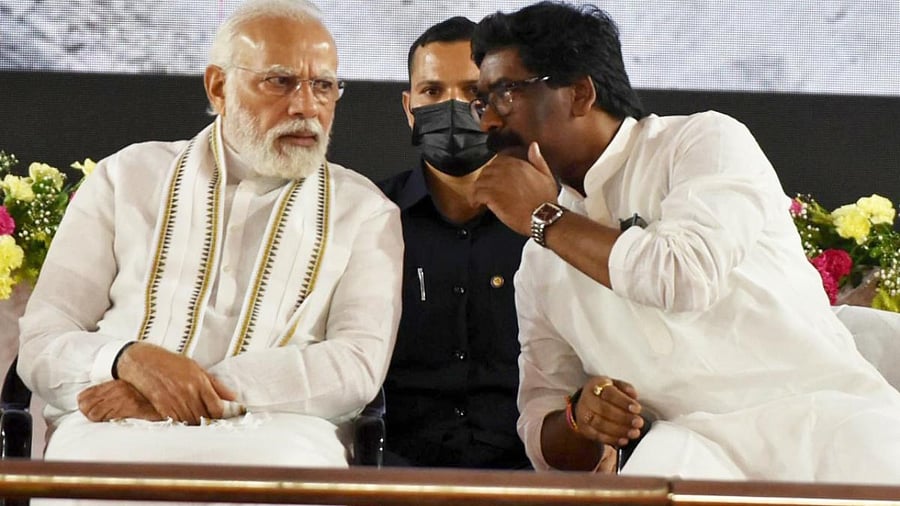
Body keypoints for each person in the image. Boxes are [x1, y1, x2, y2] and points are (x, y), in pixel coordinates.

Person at [467, 1, 900, 482]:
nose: (487, 122)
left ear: (581, 93)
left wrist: (544, 217)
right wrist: (580, 419)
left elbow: (684, 275)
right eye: (482, 103)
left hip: (825, 425)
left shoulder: (701, 142)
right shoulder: (540, 260)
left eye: (505, 93)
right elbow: (543, 429)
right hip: (694, 457)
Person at [16, 0, 402, 484]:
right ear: (218, 86)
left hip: (281, 435)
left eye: (323, 86)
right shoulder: (126, 178)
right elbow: (43, 340)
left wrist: (180, 391)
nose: (307, 106)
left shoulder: (364, 211)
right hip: (111, 426)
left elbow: (356, 365)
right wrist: (126, 360)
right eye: (280, 81)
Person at [376, 17, 530, 469]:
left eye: (472, 91)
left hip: (532, 472)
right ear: (409, 108)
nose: (453, 106)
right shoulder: (370, 217)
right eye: (432, 91)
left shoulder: (551, 219)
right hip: (394, 474)